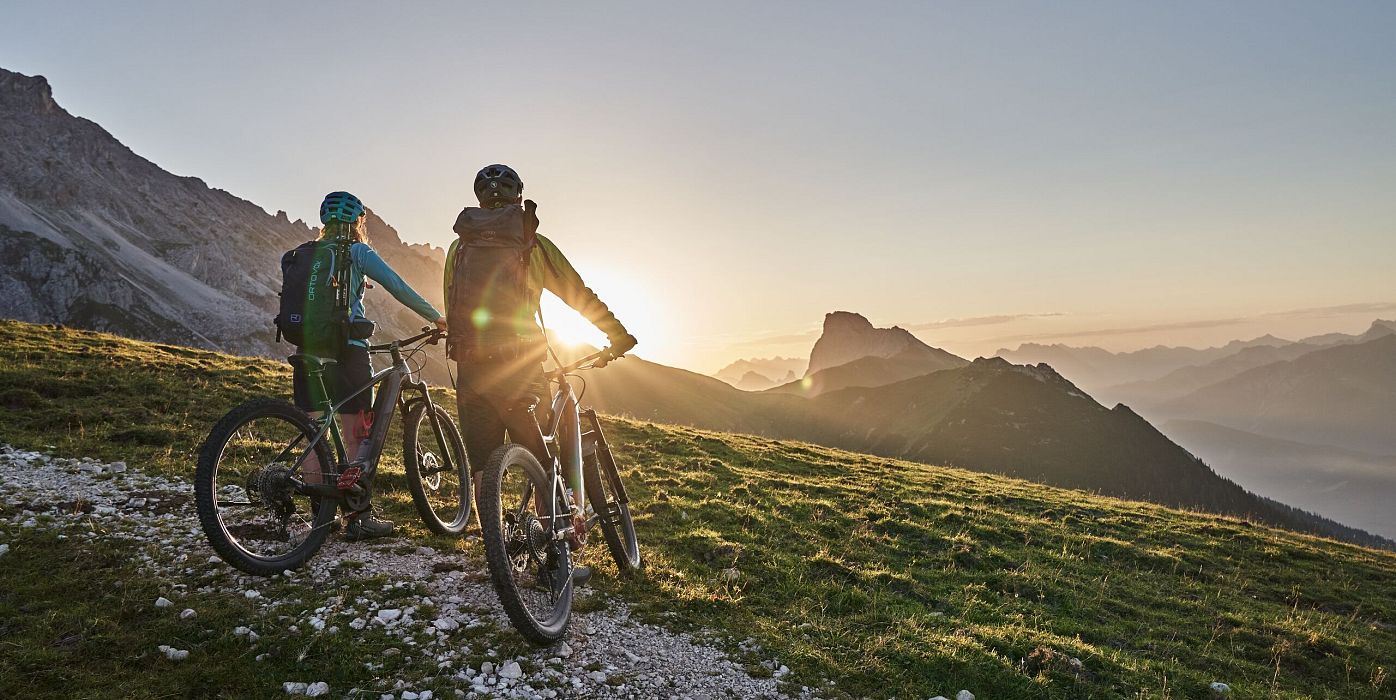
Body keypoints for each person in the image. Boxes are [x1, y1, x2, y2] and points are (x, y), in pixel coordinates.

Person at [444, 164, 636, 572]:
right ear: (518, 197)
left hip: (471, 367)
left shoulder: (458, 249)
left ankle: (496, 558)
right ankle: (555, 557)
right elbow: (577, 293)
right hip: (521, 362)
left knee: (482, 464)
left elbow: (451, 305)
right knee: (540, 454)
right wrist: (616, 333)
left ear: (480, 199)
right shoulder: (532, 242)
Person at [294, 191, 448, 541]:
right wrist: (435, 317)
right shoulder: (358, 252)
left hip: (307, 350)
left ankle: (320, 518)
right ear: (357, 221)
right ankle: (357, 517)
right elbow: (398, 286)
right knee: (356, 434)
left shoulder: (306, 255)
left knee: (314, 431)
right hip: (347, 351)